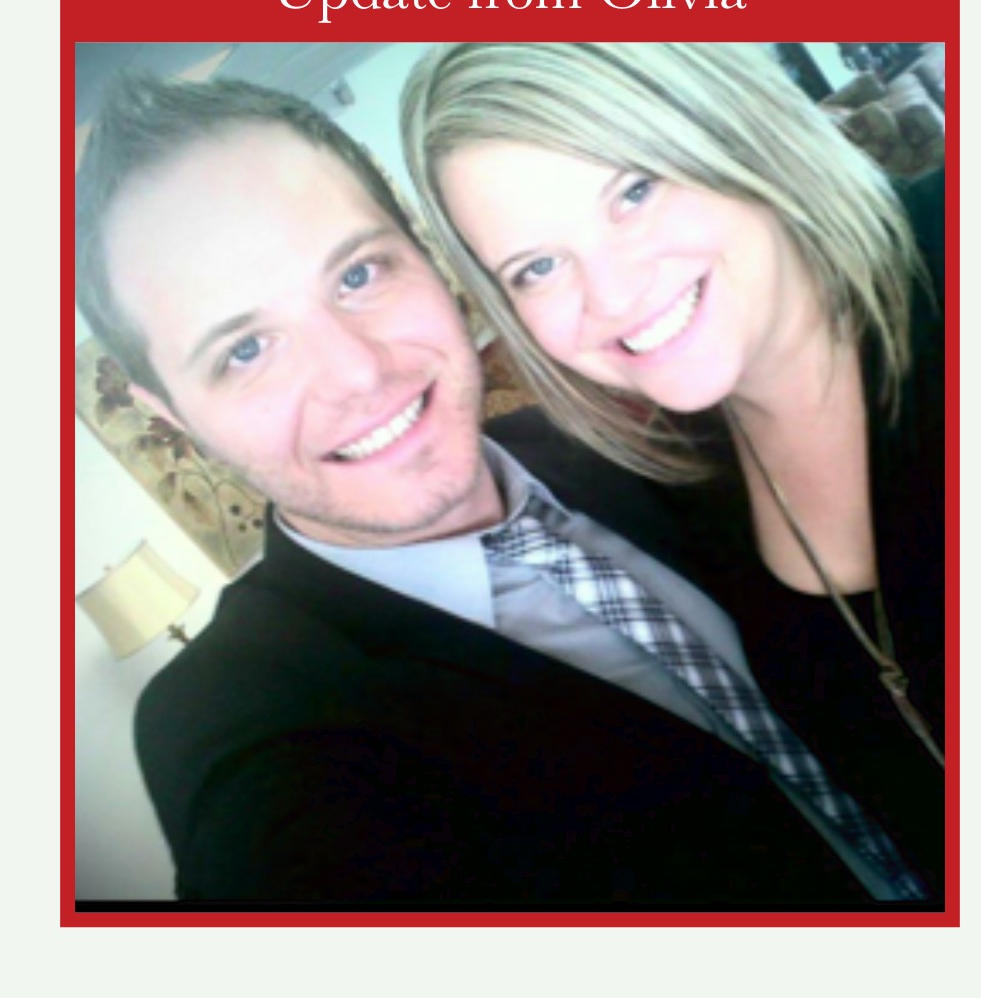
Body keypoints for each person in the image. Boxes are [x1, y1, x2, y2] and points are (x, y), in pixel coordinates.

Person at [76, 71, 932, 908]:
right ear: (172, 415)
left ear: (428, 256)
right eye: (243, 351)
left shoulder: (625, 432)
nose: (358, 372)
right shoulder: (243, 723)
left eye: (358, 275)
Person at [401, 42, 945, 899]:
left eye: (633, 191)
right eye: (537, 267)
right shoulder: (675, 502)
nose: (611, 296)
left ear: (729, 123)